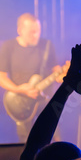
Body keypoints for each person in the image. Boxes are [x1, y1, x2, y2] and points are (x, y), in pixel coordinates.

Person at [0, 13, 63, 142]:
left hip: (45, 101)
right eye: (32, 32)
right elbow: (1, 77)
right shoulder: (8, 47)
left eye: (38, 31)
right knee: (26, 143)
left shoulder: (46, 45)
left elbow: (56, 72)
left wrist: (67, 73)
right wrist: (19, 90)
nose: (36, 35)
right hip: (21, 102)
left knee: (54, 139)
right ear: (20, 31)